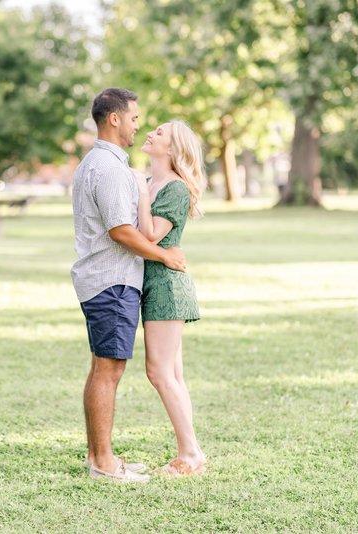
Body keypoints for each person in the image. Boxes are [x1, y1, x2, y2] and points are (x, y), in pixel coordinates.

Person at [71, 88, 187, 482]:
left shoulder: (102, 163)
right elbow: (121, 231)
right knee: (109, 370)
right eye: (135, 117)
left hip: (106, 280)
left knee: (103, 368)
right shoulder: (109, 168)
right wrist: (165, 256)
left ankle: (99, 456)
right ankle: (103, 464)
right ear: (115, 119)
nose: (138, 124)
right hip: (112, 281)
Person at [135, 119, 208, 475]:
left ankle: (191, 454)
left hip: (166, 283)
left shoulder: (175, 189)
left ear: (174, 148)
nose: (150, 133)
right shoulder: (151, 183)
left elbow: (149, 237)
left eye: (160, 132)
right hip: (151, 279)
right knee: (173, 374)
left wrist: (136, 189)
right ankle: (189, 450)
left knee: (159, 371)